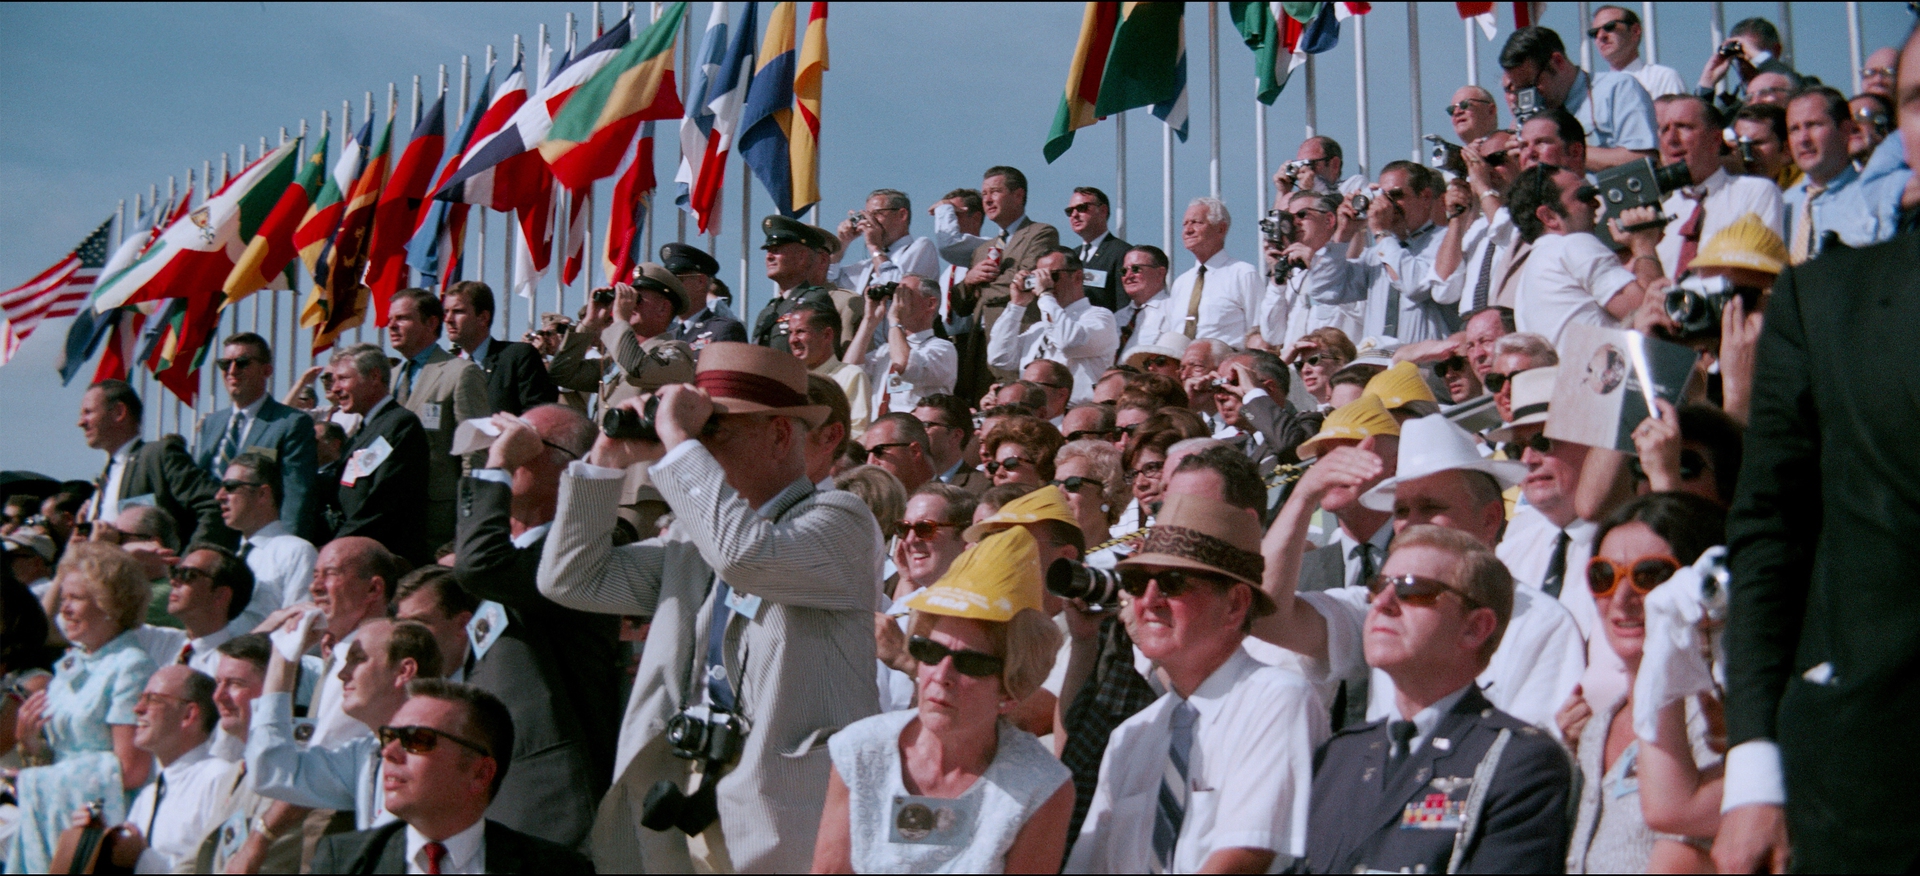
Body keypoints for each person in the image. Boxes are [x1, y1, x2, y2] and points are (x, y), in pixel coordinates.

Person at [536, 341, 884, 873]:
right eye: (694, 433)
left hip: (789, 813)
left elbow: (747, 557)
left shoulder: (842, 521)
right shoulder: (696, 543)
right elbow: (572, 578)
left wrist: (676, 440)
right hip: (689, 787)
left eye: (712, 431)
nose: (697, 448)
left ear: (780, 434)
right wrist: (605, 461)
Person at [1715, 36, 1920, 868]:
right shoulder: (1823, 300)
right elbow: (1771, 534)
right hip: (1877, 782)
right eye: (1916, 99)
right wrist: (1756, 767)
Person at [1280, 525, 1573, 873]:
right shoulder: (1341, 754)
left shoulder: (1518, 760)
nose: (1383, 604)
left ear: (1475, 627)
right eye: (1378, 586)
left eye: (1412, 590)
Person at [1069, 493, 1322, 873]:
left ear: (1235, 604)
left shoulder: (1278, 700)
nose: (1148, 600)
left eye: (1172, 582)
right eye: (1136, 582)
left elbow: (1244, 858)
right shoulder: (1131, 735)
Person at [815, 527, 1073, 873]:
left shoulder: (1040, 787)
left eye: (970, 663)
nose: (941, 674)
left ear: (1009, 690)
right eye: (929, 651)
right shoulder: (860, 750)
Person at [452, 404, 620, 847]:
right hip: (498, 785)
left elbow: (479, 566)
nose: (503, 450)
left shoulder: (583, 549)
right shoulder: (517, 553)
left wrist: (499, 464)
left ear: (569, 469)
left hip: (553, 801)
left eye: (526, 444)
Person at [1560, 492, 1728, 874]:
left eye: (1649, 575)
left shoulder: (1719, 713)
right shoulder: (1596, 727)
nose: (1622, 598)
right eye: (1604, 576)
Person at [307, 680, 594, 873]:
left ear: (481, 773)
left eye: (416, 739)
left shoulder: (555, 869)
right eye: (389, 736)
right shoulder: (344, 862)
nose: (389, 752)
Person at [3, 543, 157, 874]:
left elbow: (131, 769)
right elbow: (58, 756)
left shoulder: (132, 665)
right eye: (63, 599)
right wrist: (32, 748)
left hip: (96, 824)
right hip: (56, 816)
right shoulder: (70, 663)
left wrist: (36, 780)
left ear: (111, 604)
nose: (65, 609)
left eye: (76, 598)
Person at [247, 617, 443, 831]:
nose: (342, 674)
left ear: (404, 671)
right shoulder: (364, 754)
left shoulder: (441, 748)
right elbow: (272, 772)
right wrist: (282, 658)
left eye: (358, 659)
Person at [1508, 163, 1667, 347]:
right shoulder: (1572, 245)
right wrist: (1643, 244)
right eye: (1583, 196)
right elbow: (1653, 315)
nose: (1596, 204)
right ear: (1549, 216)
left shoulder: (1526, 281)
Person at [386, 288, 490, 549]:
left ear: (431, 323)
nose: (392, 326)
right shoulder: (390, 377)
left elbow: (475, 454)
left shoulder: (460, 373)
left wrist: (468, 523)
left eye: (402, 318)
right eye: (390, 320)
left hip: (436, 522)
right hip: (390, 516)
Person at [197, 634, 309, 874]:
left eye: (235, 683)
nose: (218, 695)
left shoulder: (292, 773)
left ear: (273, 690)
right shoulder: (233, 773)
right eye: (218, 682)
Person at [192, 332, 320, 540]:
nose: (232, 371)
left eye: (242, 363)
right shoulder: (211, 423)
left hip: (258, 541)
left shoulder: (290, 423)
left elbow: (297, 495)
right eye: (225, 364)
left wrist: (284, 548)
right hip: (208, 538)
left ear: (266, 370)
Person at [78, 379, 231, 549]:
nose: (81, 422)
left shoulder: (158, 456)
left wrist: (189, 564)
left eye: (88, 412)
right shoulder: (105, 478)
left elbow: (214, 504)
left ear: (119, 412)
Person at [951, 166, 1062, 400]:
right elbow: (961, 304)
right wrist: (969, 281)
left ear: (1018, 195)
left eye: (995, 192)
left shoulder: (1040, 233)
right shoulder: (982, 249)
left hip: (1016, 343)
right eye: (984, 194)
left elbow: (1024, 282)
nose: (988, 200)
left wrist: (981, 286)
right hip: (978, 350)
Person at [1653, 94, 1787, 279]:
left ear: (1716, 139)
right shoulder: (1661, 212)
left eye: (1684, 127)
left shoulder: (1755, 192)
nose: (1671, 139)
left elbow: (1763, 275)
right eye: (1664, 130)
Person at [114, 664, 228, 873]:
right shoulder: (147, 796)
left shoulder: (220, 780)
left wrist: (141, 857)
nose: (137, 708)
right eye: (141, 698)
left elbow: (221, 866)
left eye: (153, 699)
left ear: (189, 714)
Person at [327, 344, 431, 565]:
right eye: (333, 380)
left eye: (343, 379)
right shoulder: (365, 430)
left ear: (374, 376)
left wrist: (338, 546)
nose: (335, 389)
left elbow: (385, 498)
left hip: (385, 558)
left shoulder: (399, 425)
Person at [1499, 25, 1658, 170]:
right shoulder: (1525, 120)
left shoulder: (1617, 89)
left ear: (1557, 62)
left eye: (1531, 85)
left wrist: (1561, 152)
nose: (1527, 97)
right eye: (1518, 90)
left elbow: (1645, 161)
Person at [300, 536, 406, 750]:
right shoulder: (340, 651)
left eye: (330, 574)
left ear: (373, 589)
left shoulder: (377, 660)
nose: (315, 587)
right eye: (315, 575)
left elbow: (325, 752)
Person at [988, 248, 1119, 403]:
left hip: (1075, 413)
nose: (1045, 282)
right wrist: (1017, 305)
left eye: (1052, 276)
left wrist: (1045, 295)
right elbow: (999, 357)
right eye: (1039, 277)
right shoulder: (1039, 328)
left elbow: (1068, 343)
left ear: (1077, 277)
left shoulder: (1100, 317)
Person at [1358, 162, 1454, 343]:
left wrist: (1381, 233)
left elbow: (1415, 286)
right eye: (1382, 196)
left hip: (1425, 364)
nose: (1387, 205)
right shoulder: (1378, 251)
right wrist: (1344, 233)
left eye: (1395, 195)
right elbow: (1329, 291)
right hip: (1377, 362)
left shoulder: (1446, 241)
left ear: (1425, 197)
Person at [217, 451, 317, 620]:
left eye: (231, 487)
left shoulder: (296, 552)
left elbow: (299, 628)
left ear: (262, 494)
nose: (219, 496)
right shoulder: (232, 556)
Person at [1436, 132, 1522, 319]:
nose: (1486, 169)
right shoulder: (1478, 227)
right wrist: (1457, 217)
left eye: (1496, 160)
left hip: (1508, 321)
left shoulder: (1530, 215)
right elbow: (1443, 289)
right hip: (1472, 325)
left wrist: (1482, 187)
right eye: (1480, 162)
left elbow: (1508, 237)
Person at [441, 280, 559, 416]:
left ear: (483, 318)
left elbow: (538, 416)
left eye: (458, 311)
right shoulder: (445, 367)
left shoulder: (518, 357)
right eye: (446, 312)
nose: (448, 319)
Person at [1263, 190, 1364, 347]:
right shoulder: (1295, 274)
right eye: (1290, 217)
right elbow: (1272, 335)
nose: (1294, 222)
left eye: (1302, 215)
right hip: (1299, 367)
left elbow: (1365, 314)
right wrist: (1278, 278)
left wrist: (1316, 264)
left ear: (1329, 220)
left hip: (1339, 366)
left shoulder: (1352, 263)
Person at [752, 215, 858, 355]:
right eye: (768, 250)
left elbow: (849, 361)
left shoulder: (842, 301)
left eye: (777, 249)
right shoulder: (769, 311)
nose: (769, 256)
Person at [1167, 197, 1263, 348]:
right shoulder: (1181, 283)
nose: (1188, 230)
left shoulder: (1243, 274)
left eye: (1196, 222)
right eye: (1184, 224)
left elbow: (1258, 330)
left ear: (1221, 228)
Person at [1783, 86, 1861, 263]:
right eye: (1794, 129)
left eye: (1813, 125)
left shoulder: (1870, 198)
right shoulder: (1782, 204)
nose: (1803, 139)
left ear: (1846, 130)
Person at [150, 542, 252, 671]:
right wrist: (130, 557)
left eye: (188, 574)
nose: (174, 581)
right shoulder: (158, 640)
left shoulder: (232, 666)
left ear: (220, 595)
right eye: (175, 572)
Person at [1588, 5, 1686, 98]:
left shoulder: (1662, 78)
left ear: (1635, 30)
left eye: (1610, 26)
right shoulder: (1594, 91)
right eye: (1594, 33)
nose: (1600, 36)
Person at [667, 242, 749, 352]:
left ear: (700, 282)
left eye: (677, 280)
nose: (670, 288)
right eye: (667, 282)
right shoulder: (665, 336)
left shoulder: (723, 330)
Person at [1063, 186, 1130, 311]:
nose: (1074, 215)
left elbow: (1124, 305)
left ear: (1103, 210)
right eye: (1069, 211)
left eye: (1082, 208)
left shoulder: (1122, 252)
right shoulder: (1070, 257)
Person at [913, 393, 991, 495]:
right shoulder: (903, 483)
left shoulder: (983, 487)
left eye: (925, 425)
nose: (915, 431)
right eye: (914, 424)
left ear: (955, 436)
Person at [1112, 245, 1175, 359]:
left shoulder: (1175, 310)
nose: (1128, 276)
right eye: (1124, 271)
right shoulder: (1117, 318)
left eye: (1136, 269)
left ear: (1160, 273)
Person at [855, 412, 938, 494]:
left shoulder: (948, 503)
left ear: (914, 452)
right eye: (867, 454)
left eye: (879, 451)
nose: (870, 463)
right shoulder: (874, 504)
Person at [1285, 327, 1355, 411]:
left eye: (1314, 360)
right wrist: (1282, 362)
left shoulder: (1356, 410)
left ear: (1341, 361)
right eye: (1299, 365)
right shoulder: (1305, 418)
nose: (1305, 370)